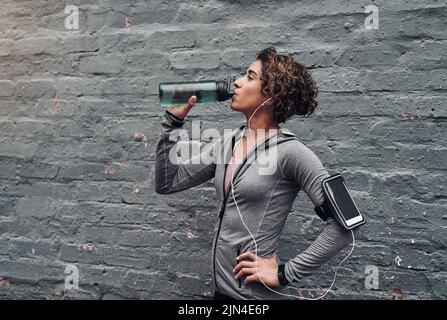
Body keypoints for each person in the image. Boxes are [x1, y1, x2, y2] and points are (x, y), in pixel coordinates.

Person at [155, 47, 354, 300]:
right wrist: (172, 124)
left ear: (271, 94)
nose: (236, 82)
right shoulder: (228, 142)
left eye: (249, 76)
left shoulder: (292, 152)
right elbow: (167, 183)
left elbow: (347, 226)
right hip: (222, 294)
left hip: (256, 298)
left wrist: (284, 273)